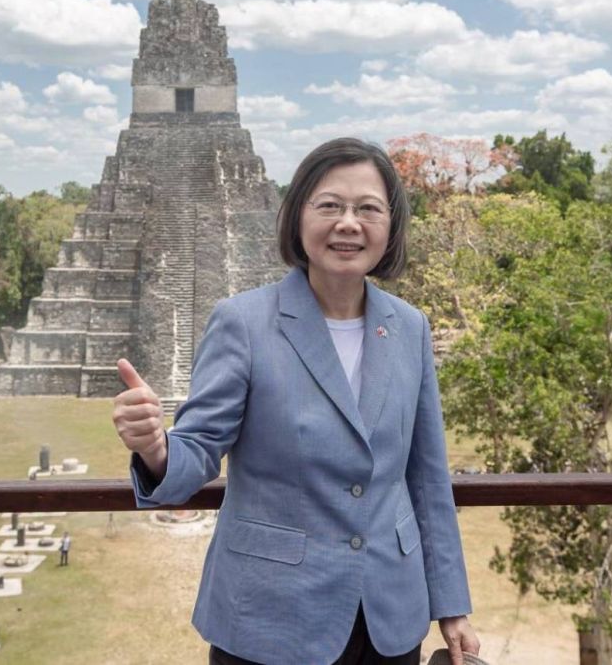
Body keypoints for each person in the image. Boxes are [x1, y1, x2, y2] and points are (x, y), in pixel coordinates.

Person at [112, 138, 479, 665]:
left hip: (388, 617)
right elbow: (198, 450)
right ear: (297, 217)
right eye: (329, 205)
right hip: (270, 616)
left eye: (368, 208)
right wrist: (155, 446)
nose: (348, 223)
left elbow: (425, 477)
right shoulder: (244, 322)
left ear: (391, 226)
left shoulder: (409, 328)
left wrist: (452, 606)